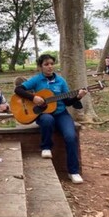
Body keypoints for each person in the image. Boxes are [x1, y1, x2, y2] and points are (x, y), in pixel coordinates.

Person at [14, 54, 88, 184]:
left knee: (71, 136)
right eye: (46, 64)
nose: (49, 67)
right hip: (43, 114)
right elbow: (18, 90)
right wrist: (33, 98)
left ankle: (73, 172)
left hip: (61, 113)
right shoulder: (37, 80)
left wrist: (78, 97)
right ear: (40, 67)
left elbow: (67, 102)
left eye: (51, 64)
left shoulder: (61, 81)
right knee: (48, 120)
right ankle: (46, 147)